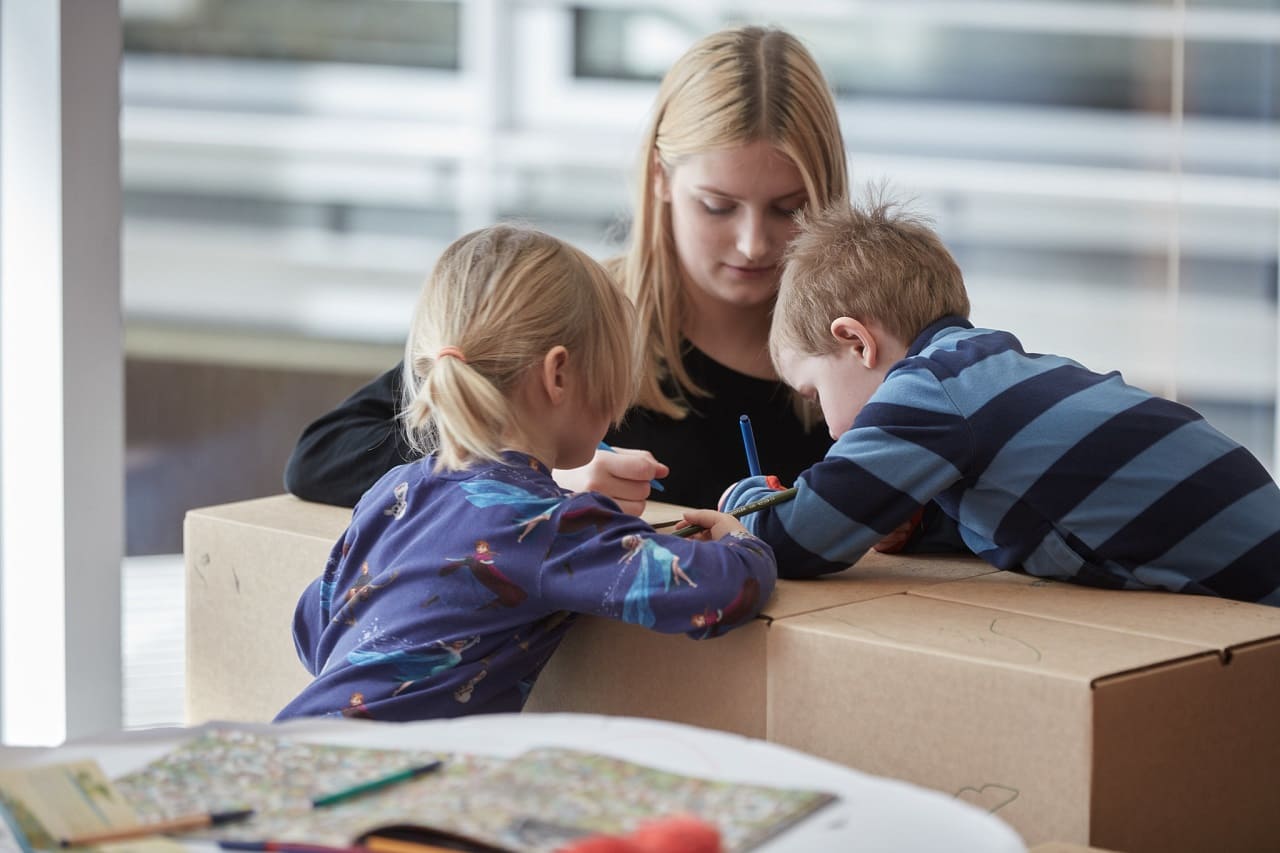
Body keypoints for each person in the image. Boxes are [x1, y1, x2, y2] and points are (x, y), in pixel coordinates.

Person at [282, 25, 845, 514]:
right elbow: (327, 455)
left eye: (788, 208)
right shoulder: (570, 311)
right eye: (717, 207)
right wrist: (537, 477)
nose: (752, 243)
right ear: (659, 178)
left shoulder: (870, 335)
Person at [277, 224, 777, 722]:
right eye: (614, 372)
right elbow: (722, 592)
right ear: (557, 374)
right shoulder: (547, 524)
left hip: (300, 740)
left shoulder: (394, 490)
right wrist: (741, 541)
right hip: (388, 765)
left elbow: (310, 626)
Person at [720, 193, 1280, 605]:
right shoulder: (988, 372)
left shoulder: (926, 389)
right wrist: (919, 527)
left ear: (856, 342)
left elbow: (797, 542)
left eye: (816, 394)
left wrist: (743, 507)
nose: (830, 429)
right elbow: (1031, 520)